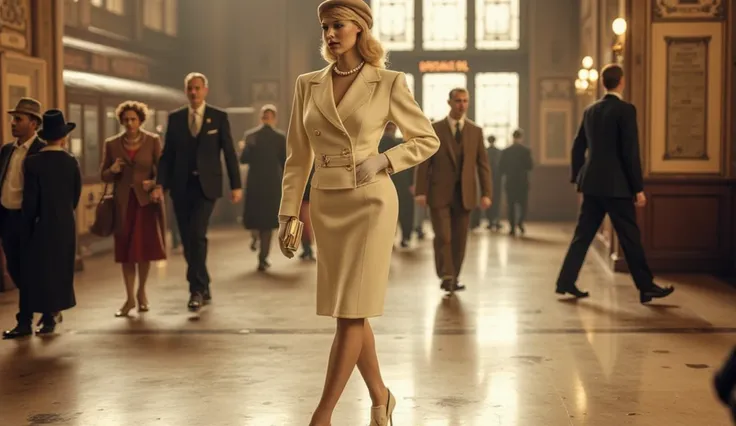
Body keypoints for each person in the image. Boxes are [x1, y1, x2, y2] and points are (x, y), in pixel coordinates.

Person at [277, 1, 440, 424]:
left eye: (338, 25)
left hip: (371, 201)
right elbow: (298, 156)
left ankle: (322, 415)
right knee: (350, 309)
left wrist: (385, 161)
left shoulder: (388, 82)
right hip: (327, 202)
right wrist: (288, 213)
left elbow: (426, 139)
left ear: (359, 28)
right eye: (325, 27)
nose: (330, 34)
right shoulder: (306, 84)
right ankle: (382, 397)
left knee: (350, 312)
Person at [556, 64, 674, 303]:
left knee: (583, 236)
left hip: (592, 185)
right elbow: (630, 151)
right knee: (630, 237)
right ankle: (646, 286)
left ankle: (566, 282)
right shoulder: (626, 110)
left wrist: (577, 177)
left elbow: (578, 146)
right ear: (621, 82)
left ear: (602, 84)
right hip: (617, 187)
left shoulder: (590, 111)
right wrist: (637, 188)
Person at [153, 72, 243, 312]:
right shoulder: (175, 119)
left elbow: (229, 153)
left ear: (205, 90)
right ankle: (204, 282)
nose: (193, 92)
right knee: (186, 238)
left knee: (197, 234)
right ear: (186, 91)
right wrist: (159, 183)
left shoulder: (218, 117)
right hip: (180, 186)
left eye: (197, 88)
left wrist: (236, 185)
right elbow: (166, 156)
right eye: (189, 88)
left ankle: (196, 289)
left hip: (207, 187)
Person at [414, 88, 493, 293]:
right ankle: (446, 274)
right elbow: (424, 163)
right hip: (439, 192)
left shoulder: (475, 131)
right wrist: (420, 191)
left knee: (460, 239)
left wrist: (486, 193)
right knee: (443, 236)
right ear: (449, 102)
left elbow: (482, 164)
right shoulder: (434, 129)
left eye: (465, 101)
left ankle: (454, 276)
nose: (462, 105)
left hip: (465, 194)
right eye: (458, 101)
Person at [101, 101, 166, 317]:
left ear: (140, 120)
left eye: (133, 119)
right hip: (122, 204)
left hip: (145, 204)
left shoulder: (153, 141)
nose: (130, 123)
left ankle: (142, 293)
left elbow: (164, 170)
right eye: (126, 119)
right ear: (121, 121)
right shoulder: (112, 144)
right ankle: (129, 298)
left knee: (143, 250)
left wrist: (155, 183)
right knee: (126, 251)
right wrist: (113, 169)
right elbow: (104, 175)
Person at [21, 109, 82, 335]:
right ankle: (53, 314)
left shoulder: (32, 163)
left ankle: (46, 316)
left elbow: (30, 200)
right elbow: (76, 195)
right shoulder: (71, 162)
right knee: (60, 268)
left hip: (40, 223)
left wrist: (30, 221)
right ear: (63, 137)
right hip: (65, 222)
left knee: (41, 269)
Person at [0, 98, 46, 339]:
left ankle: (24, 321)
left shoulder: (43, 150)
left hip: (29, 220)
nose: (13, 123)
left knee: (29, 271)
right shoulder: (7, 150)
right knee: (14, 268)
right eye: (13, 118)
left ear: (34, 123)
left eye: (19, 119)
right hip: (7, 218)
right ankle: (49, 310)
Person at [240, 104, 286, 271]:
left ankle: (258, 244)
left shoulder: (251, 136)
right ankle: (263, 256)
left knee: (257, 217)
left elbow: (244, 159)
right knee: (267, 221)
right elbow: (285, 162)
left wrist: (246, 148)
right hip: (271, 183)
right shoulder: (280, 138)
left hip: (256, 182)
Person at [378, 122, 414, 248]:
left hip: (386, 183)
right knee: (405, 212)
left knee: (387, 214)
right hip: (402, 183)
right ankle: (405, 237)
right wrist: (411, 183)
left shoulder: (378, 144)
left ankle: (389, 239)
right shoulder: (400, 144)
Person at [499, 129, 533, 236]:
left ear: (512, 137)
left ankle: (512, 227)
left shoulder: (506, 151)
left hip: (510, 181)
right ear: (521, 137)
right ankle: (520, 222)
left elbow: (501, 168)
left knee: (511, 205)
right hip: (522, 182)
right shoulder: (526, 151)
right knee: (523, 204)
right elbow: (530, 166)